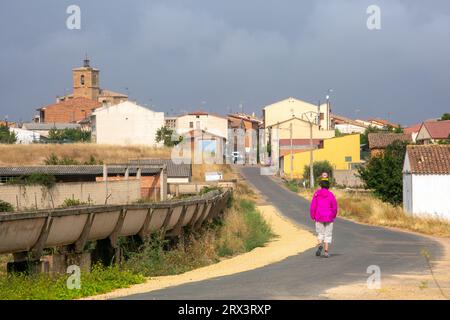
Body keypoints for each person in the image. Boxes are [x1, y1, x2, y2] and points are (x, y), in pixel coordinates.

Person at [309, 172, 338, 258]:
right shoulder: (331, 195)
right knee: (328, 234)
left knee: (320, 233)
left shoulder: (317, 194)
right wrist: (333, 215)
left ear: (321, 185)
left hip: (319, 216)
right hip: (329, 217)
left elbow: (313, 206)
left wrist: (313, 216)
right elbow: (335, 207)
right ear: (328, 186)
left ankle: (319, 245)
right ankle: (326, 251)